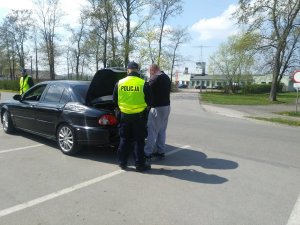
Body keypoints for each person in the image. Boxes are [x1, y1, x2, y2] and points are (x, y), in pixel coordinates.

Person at [113, 62, 152, 172]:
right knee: (138, 141)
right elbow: (150, 101)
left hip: (124, 116)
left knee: (124, 140)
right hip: (139, 118)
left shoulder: (119, 83)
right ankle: (139, 165)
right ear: (137, 70)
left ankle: (122, 163)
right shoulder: (143, 83)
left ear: (128, 70)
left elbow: (114, 100)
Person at [144, 64, 171, 163]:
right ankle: (161, 151)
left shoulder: (154, 78)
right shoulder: (166, 77)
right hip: (166, 107)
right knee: (162, 130)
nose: (149, 73)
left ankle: (147, 153)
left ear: (152, 70)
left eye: (149, 71)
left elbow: (146, 91)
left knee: (152, 131)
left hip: (157, 108)